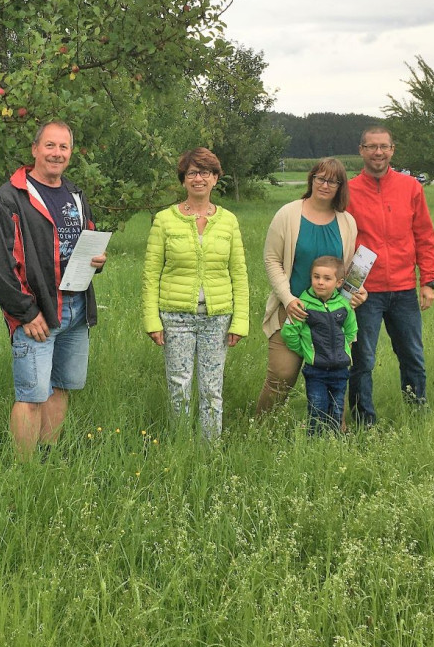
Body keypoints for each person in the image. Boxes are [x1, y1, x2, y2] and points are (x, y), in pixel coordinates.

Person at [0, 121, 108, 459]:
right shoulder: (10, 197)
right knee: (31, 395)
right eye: (50, 146)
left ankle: (49, 456)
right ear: (35, 149)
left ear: (70, 153)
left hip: (76, 307)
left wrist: (98, 260)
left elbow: (88, 237)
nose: (57, 153)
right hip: (37, 311)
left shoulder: (75, 195)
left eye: (63, 147)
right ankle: (25, 472)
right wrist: (24, 311)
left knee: (62, 387)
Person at [142, 148, 248, 440]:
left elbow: (239, 273)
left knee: (212, 389)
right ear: (183, 179)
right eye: (192, 173)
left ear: (215, 178)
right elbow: (151, 275)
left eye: (205, 172)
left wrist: (240, 322)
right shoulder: (165, 220)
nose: (198, 178)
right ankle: (181, 445)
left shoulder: (228, 221)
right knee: (179, 385)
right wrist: (153, 320)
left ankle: (208, 449)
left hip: (217, 317)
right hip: (175, 317)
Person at [255, 157, 367, 417]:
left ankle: (333, 431)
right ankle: (259, 430)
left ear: (341, 186)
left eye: (333, 181)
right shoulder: (288, 214)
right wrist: (287, 299)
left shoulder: (346, 221)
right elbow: (272, 259)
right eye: (320, 178)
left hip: (332, 317)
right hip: (295, 311)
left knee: (334, 377)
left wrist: (357, 292)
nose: (325, 185)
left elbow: (347, 267)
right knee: (281, 377)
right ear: (312, 179)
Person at [347, 126, 434, 426]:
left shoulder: (411, 188)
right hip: (363, 292)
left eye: (383, 146)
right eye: (371, 146)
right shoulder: (347, 191)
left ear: (392, 150)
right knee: (362, 361)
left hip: (402, 289)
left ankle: (417, 414)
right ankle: (364, 422)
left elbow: (424, 235)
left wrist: (428, 281)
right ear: (361, 150)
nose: (378, 152)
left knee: (412, 357)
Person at [280, 255, 357, 434]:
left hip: (340, 369)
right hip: (316, 370)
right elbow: (289, 332)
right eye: (316, 277)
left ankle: (334, 441)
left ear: (339, 283)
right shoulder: (303, 304)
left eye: (326, 278)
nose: (320, 282)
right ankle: (314, 442)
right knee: (317, 408)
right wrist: (307, 351)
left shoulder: (344, 304)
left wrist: (345, 350)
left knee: (337, 410)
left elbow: (351, 330)